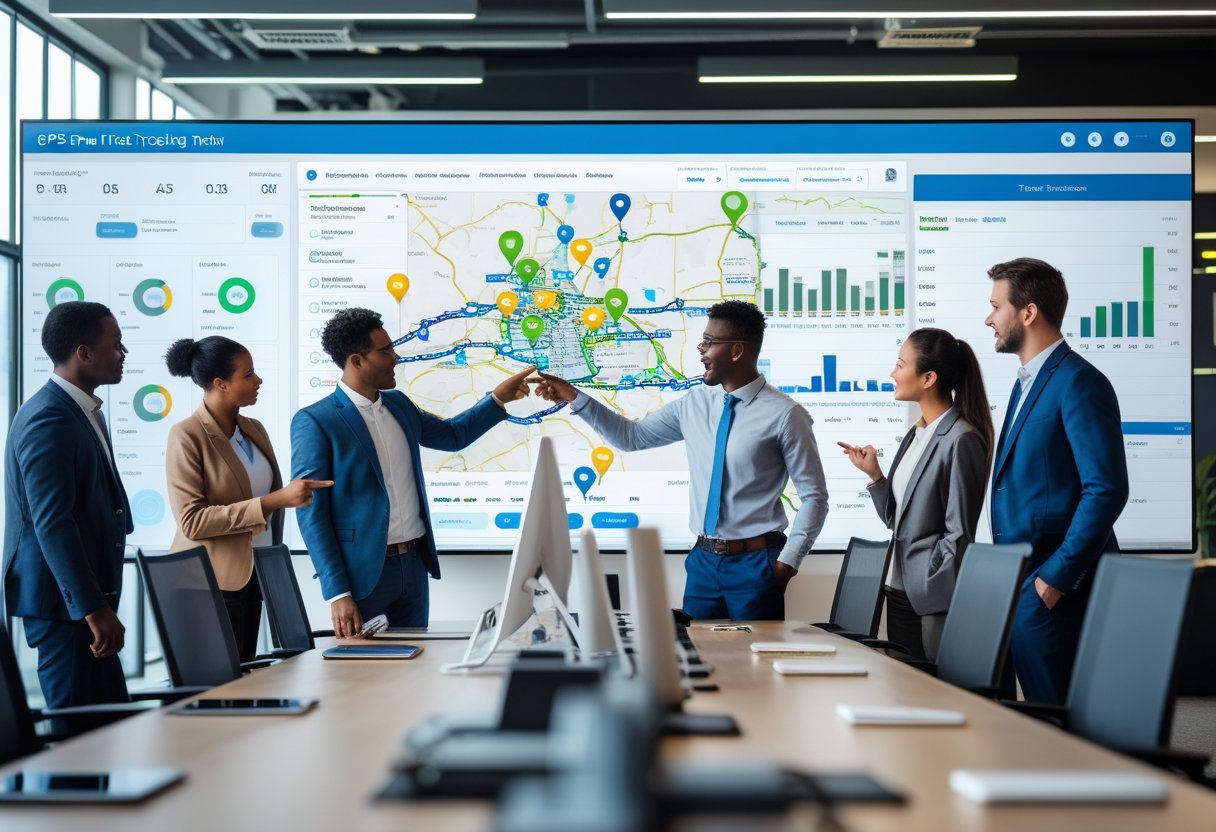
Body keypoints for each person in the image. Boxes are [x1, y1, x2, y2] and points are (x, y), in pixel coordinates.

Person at [536, 299, 829, 621]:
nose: (701, 350)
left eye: (709, 342)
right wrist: (573, 396)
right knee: (699, 660)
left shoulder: (786, 415)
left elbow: (814, 497)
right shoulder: (694, 404)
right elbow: (630, 438)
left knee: (753, 664)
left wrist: (786, 566)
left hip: (756, 564)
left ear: (736, 351)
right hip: (703, 562)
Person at [291, 307, 535, 637]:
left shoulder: (400, 405)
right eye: (386, 351)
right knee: (365, 681)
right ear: (357, 361)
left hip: (414, 567)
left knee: (416, 670)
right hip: (363, 577)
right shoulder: (316, 421)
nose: (396, 358)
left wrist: (496, 399)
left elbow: (453, 436)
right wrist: (337, 592)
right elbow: (311, 514)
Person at [985, 257, 1128, 705]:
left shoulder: (1080, 381)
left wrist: (1055, 580)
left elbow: (1106, 488)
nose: (988, 318)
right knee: (1040, 724)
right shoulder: (1024, 382)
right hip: (1026, 580)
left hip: (1056, 588)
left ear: (1028, 313)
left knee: (1064, 728)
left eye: (996, 306)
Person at [164, 337, 333, 662]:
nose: (258, 381)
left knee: (244, 682)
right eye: (249, 374)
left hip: (253, 576)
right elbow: (192, 522)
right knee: (217, 695)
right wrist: (274, 501)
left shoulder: (253, 429)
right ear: (220, 384)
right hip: (209, 585)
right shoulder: (186, 435)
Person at [2, 302, 133, 708]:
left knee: (105, 725)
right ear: (84, 353)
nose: (124, 354)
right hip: (64, 607)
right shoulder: (49, 419)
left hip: (80, 602)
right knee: (75, 733)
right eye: (116, 344)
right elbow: (53, 523)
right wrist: (92, 608)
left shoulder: (81, 408)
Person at [838, 328, 992, 662]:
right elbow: (898, 520)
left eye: (900, 365)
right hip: (898, 590)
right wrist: (876, 476)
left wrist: (929, 583)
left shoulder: (961, 439)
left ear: (928, 378)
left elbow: (959, 532)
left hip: (927, 596)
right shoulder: (916, 434)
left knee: (930, 694)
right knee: (906, 692)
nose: (892, 374)